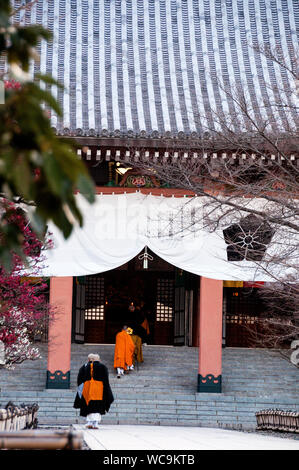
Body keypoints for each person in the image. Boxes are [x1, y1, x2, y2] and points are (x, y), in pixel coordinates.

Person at [73, 353, 114, 429]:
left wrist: (81, 388)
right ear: (99, 359)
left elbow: (80, 379)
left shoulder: (85, 366)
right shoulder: (103, 367)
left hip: (88, 389)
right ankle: (96, 423)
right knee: (98, 405)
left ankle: (89, 422)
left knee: (89, 405)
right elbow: (106, 380)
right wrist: (107, 390)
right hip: (99, 389)